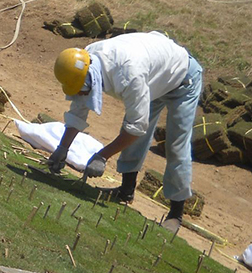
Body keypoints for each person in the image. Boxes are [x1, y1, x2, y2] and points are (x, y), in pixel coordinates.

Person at [47, 32, 203, 234]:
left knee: (175, 145)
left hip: (183, 80)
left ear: (90, 78)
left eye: (82, 89)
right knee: (129, 128)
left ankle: (176, 213)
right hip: (155, 75)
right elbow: (79, 106)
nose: (81, 93)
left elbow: (137, 128)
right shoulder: (85, 61)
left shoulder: (129, 75)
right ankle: (125, 192)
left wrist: (101, 156)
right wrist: (63, 147)